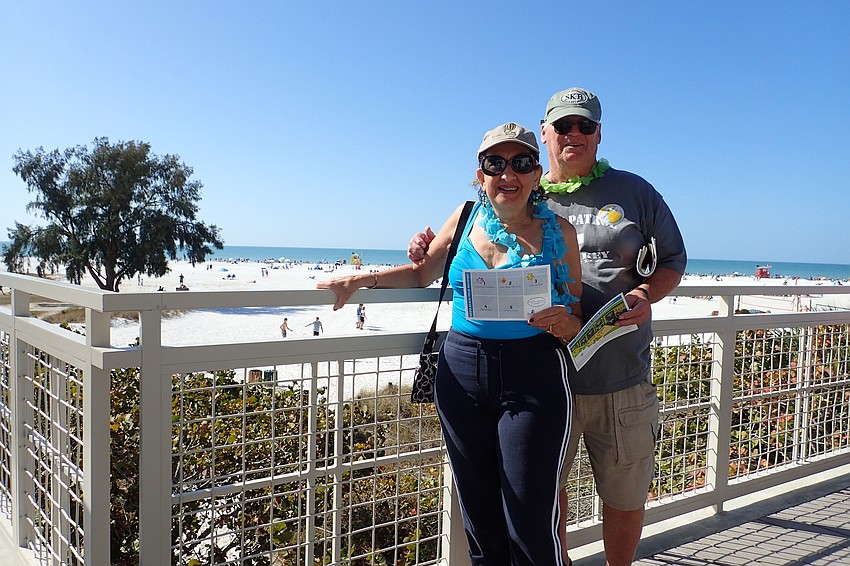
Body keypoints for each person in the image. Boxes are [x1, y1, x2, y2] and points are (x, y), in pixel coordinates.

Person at [408, 89, 687, 566]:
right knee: (536, 504)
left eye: (584, 126)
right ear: (546, 135)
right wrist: (424, 246)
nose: (574, 134)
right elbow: (449, 255)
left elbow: (673, 260)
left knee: (623, 492)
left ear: (599, 133)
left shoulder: (635, 190)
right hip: (542, 373)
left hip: (615, 374)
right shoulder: (515, 191)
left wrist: (645, 293)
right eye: (563, 126)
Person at [319, 122, 583, 565]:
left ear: (537, 174)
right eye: (494, 163)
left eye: (520, 162)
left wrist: (565, 322)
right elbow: (422, 274)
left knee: (530, 521)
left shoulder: (561, 232)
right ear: (479, 175)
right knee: (479, 521)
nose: (507, 174)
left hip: (534, 374)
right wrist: (362, 278)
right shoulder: (464, 218)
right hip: (462, 371)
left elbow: (575, 317)